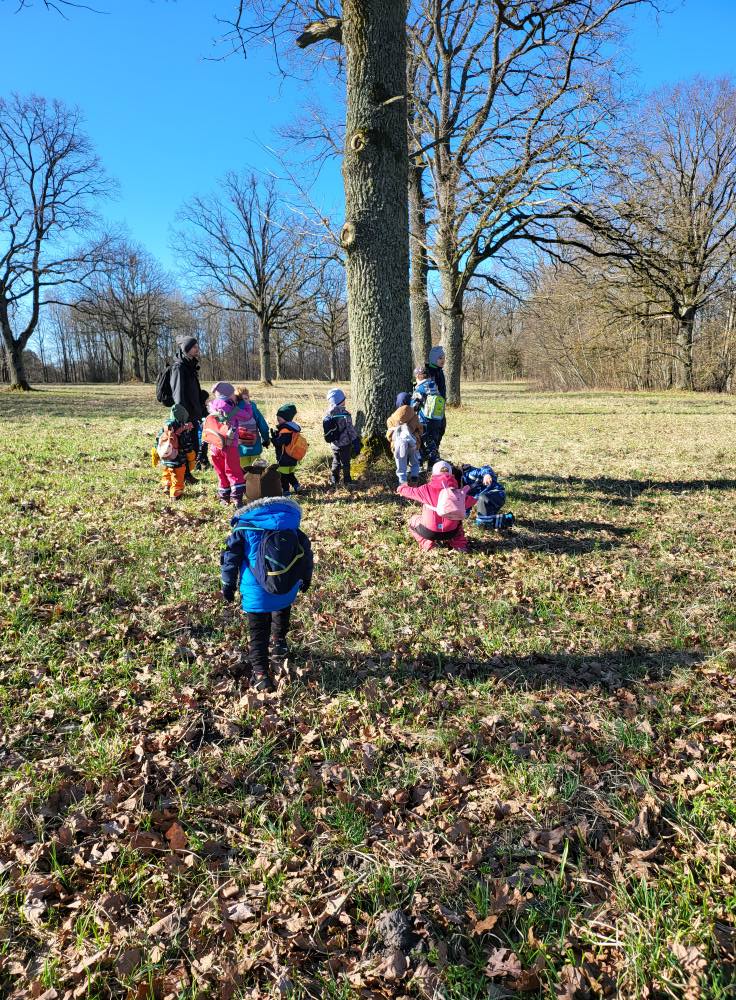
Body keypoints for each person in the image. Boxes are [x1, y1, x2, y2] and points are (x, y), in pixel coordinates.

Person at [220, 474, 313, 691]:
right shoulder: (291, 523)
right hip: (287, 585)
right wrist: (306, 577)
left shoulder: (243, 527)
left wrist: (227, 584)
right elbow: (306, 554)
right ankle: (279, 643)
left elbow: (230, 558)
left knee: (258, 633)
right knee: (282, 612)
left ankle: (261, 674)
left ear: (250, 497)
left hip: (257, 593)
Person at [397, 459, 475, 551]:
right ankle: (460, 545)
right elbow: (472, 500)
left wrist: (401, 488)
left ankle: (427, 544)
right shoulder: (458, 492)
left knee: (412, 520)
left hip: (429, 532)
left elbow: (409, 492)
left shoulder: (425, 489)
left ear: (433, 474)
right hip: (452, 532)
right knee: (458, 524)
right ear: (451, 474)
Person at [202, 382, 245, 507]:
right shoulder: (232, 408)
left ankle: (224, 498)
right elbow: (247, 416)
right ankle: (236, 498)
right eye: (233, 393)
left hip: (215, 444)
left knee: (220, 472)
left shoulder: (212, 406)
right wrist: (245, 405)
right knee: (233, 471)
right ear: (229, 395)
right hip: (229, 444)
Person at [152, 403, 197, 500]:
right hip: (178, 459)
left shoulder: (165, 427)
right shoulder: (182, 428)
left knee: (167, 471)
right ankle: (175, 494)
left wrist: (156, 452)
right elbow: (186, 444)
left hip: (165, 457)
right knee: (177, 476)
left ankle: (166, 485)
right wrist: (191, 455)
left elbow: (157, 441)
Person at [459, 463, 514, 529]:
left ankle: (507, 520)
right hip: (487, 503)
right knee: (481, 524)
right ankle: (506, 519)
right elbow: (466, 502)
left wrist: (487, 475)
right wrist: (463, 516)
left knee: (482, 498)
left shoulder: (470, 474)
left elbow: (485, 468)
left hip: (496, 494)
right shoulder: (460, 490)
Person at [323, 388, 359, 488]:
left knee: (336, 461)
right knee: (346, 462)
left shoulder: (328, 413)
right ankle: (347, 480)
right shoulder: (345, 414)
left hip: (334, 444)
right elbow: (350, 430)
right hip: (345, 444)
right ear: (341, 401)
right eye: (344, 399)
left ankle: (334, 478)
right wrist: (355, 440)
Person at [271, 403, 307, 496]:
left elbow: (279, 443)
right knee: (290, 474)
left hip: (284, 459)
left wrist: (273, 439)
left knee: (283, 476)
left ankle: (286, 492)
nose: (278, 419)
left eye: (279, 418)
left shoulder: (285, 431)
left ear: (286, 418)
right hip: (293, 458)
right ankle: (297, 486)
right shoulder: (292, 429)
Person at [386, 392, 422, 485]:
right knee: (414, 462)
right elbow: (420, 430)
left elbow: (389, 435)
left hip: (399, 445)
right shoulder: (414, 416)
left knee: (401, 465)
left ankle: (402, 484)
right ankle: (414, 480)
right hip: (413, 443)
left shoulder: (391, 418)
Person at [412, 367, 444, 469]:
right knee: (433, 441)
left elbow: (414, 405)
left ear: (418, 376)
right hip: (437, 419)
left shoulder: (420, 388)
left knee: (422, 441)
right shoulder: (434, 385)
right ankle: (432, 465)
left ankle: (420, 464)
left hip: (425, 420)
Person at [232, 385, 270, 471]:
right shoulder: (253, 409)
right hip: (255, 447)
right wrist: (266, 439)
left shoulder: (233, 411)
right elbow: (263, 426)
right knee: (256, 471)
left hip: (239, 449)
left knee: (242, 472)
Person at [426, 345, 448, 450]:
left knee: (442, 427)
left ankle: (436, 449)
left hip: (440, 404)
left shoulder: (440, 371)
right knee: (433, 429)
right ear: (433, 358)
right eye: (440, 358)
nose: (443, 360)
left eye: (444, 358)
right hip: (431, 407)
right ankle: (431, 451)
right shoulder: (429, 371)